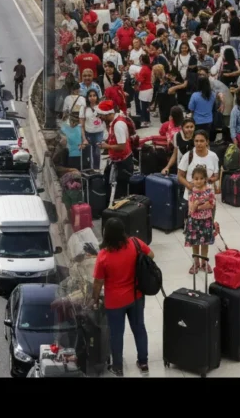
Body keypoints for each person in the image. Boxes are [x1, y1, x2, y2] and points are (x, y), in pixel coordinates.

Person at [92, 219, 153, 377]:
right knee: (139, 329)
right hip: (136, 295)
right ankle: (143, 363)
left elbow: (98, 282)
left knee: (116, 334)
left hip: (114, 302)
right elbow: (151, 255)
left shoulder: (103, 256)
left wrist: (94, 299)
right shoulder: (135, 243)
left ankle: (118, 367)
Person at [97, 100, 135, 201]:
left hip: (123, 163)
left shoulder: (118, 125)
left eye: (101, 114)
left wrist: (107, 146)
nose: (99, 117)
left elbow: (121, 146)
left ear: (107, 114)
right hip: (116, 161)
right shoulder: (113, 122)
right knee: (108, 184)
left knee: (119, 192)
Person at [184, 165, 217, 275]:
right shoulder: (191, 193)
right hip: (194, 222)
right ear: (192, 179)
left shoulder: (209, 191)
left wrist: (198, 205)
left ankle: (204, 262)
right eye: (196, 178)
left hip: (206, 221)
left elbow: (212, 204)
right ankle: (196, 262)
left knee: (205, 244)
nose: (199, 181)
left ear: (205, 179)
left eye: (201, 178)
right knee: (195, 244)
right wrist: (201, 205)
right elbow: (191, 209)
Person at [79, 89, 106, 170]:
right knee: (88, 154)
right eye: (90, 96)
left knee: (97, 153)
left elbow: (106, 120)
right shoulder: (83, 108)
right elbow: (82, 125)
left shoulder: (101, 106)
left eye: (94, 95)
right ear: (87, 97)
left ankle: (96, 170)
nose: (92, 97)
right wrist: (84, 138)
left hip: (99, 133)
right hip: (88, 134)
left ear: (97, 97)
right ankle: (88, 170)